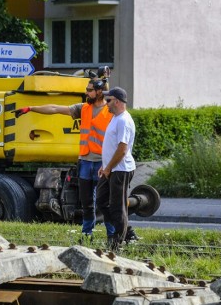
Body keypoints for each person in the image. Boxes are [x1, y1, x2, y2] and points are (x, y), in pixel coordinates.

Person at [14, 78, 122, 242]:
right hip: (85, 161)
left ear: (99, 92)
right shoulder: (83, 108)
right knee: (87, 203)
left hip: (103, 163)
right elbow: (55, 108)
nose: (86, 92)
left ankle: (112, 236)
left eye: (90, 90)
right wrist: (31, 108)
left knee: (104, 203)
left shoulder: (111, 111)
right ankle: (87, 235)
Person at [96, 87, 136, 252]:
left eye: (109, 100)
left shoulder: (124, 120)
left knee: (117, 207)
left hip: (120, 169)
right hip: (111, 168)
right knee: (101, 201)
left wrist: (109, 167)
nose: (106, 104)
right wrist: (104, 166)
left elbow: (122, 149)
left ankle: (118, 242)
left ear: (118, 102)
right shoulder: (115, 118)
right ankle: (127, 233)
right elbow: (112, 146)